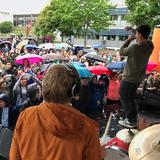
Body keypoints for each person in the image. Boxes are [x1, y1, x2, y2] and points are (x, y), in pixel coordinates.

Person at [10, 64, 102, 160]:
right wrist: (99, 153)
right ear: (74, 90)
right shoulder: (87, 127)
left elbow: (15, 156)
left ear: (44, 85)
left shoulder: (26, 116)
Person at [118, 24, 154, 128]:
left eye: (137, 33)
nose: (135, 35)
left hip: (129, 78)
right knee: (131, 97)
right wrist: (134, 31)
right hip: (138, 78)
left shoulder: (134, 47)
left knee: (124, 97)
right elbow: (144, 36)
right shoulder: (150, 45)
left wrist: (129, 40)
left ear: (140, 35)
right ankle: (133, 117)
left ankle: (131, 120)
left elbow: (121, 51)